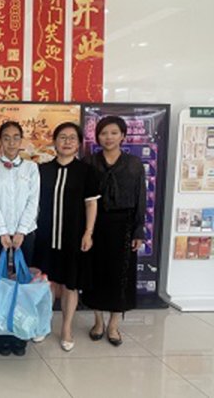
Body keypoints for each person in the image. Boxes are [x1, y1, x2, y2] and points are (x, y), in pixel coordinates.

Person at [33, 122, 99, 352]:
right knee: (47, 283)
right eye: (62, 137)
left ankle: (67, 328)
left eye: (72, 138)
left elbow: (91, 204)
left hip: (73, 237)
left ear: (79, 143)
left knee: (71, 285)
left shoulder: (86, 172)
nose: (67, 142)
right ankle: (44, 325)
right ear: (54, 142)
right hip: (45, 236)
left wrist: (88, 233)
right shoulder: (42, 170)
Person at [82, 116, 146, 346]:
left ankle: (114, 325)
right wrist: (85, 231)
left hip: (125, 227)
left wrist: (138, 230)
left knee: (121, 277)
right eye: (103, 133)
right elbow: (84, 199)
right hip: (96, 225)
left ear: (123, 136)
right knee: (96, 274)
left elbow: (140, 197)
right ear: (97, 137)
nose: (108, 137)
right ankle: (98, 321)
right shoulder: (89, 162)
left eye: (113, 133)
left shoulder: (134, 164)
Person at [0, 121, 40, 356]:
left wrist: (21, 231)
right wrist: (3, 231)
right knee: (0, 282)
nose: (11, 142)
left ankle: (19, 331)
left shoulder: (31, 169)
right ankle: (0, 331)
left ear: (21, 141)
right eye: (6, 137)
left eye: (16, 137)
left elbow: (33, 201)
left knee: (22, 283)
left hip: (25, 235)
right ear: (0, 141)